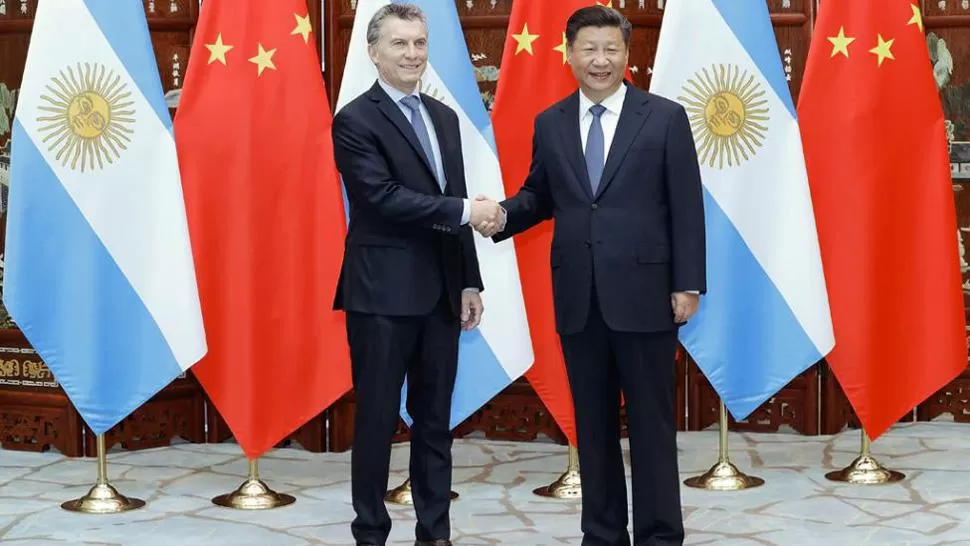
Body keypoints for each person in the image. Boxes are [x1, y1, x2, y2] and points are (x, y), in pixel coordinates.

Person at [483, 6, 706, 545]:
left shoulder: (665, 117)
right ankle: (603, 533)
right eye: (589, 49)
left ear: (627, 55)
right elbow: (542, 195)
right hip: (580, 298)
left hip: (648, 296)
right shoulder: (552, 122)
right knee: (594, 425)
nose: (600, 60)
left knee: (652, 427)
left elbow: (687, 206)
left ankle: (658, 535)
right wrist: (503, 215)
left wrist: (688, 283)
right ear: (569, 54)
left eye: (611, 50)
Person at [331, 4, 504, 546]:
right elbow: (381, 200)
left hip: (440, 296)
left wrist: (469, 281)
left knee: (435, 424)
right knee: (378, 423)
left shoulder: (444, 116)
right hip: (381, 296)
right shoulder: (354, 119)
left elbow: (454, 202)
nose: (412, 54)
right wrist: (464, 211)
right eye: (400, 44)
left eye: (420, 44)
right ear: (374, 52)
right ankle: (371, 534)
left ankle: (435, 533)